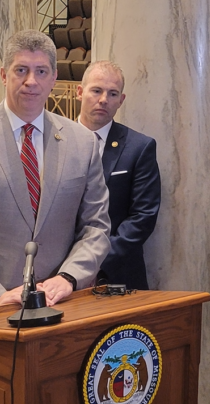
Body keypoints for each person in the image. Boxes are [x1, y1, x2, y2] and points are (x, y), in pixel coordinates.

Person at [0, 30, 111, 316]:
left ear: (54, 78)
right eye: (21, 70)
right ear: (4, 74)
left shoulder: (83, 143)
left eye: (41, 71)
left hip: (62, 307)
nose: (31, 81)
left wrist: (68, 278)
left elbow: (97, 227)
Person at [77, 61, 161, 290]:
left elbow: (142, 217)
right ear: (79, 92)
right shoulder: (52, 140)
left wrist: (93, 262)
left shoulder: (139, 147)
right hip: (55, 276)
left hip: (115, 276)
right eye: (96, 90)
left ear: (121, 101)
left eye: (112, 93)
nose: (104, 99)